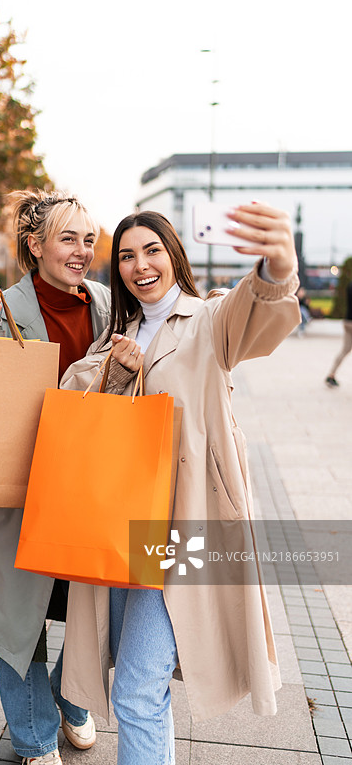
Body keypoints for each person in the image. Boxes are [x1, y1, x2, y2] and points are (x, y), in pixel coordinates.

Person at [59, 202, 300, 764]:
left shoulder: (209, 319)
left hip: (187, 529)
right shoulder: (115, 335)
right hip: (126, 529)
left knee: (138, 690)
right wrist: (117, 372)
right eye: (126, 256)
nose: (140, 265)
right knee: (146, 690)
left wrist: (278, 268)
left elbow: (256, 311)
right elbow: (76, 405)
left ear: (174, 255)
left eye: (152, 251)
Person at [0, 189, 110, 765]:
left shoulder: (106, 302)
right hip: (22, 488)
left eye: (88, 239)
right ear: (35, 245)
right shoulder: (6, 307)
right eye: (68, 238)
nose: (81, 250)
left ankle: (70, 696)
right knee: (18, 619)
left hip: (89, 485)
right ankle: (35, 737)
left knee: (103, 609)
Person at [326, 279, 352, 387]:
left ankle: (331, 374)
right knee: (345, 350)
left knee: (345, 350)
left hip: (347, 321)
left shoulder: (349, 285)